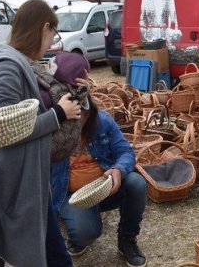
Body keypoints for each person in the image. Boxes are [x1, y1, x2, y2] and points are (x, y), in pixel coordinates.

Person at [0, 0, 82, 267]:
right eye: (53, 34)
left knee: (47, 251)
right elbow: (5, 129)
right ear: (45, 27)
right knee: (24, 253)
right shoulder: (7, 66)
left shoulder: (19, 62)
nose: (51, 41)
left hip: (27, 176)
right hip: (13, 179)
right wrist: (57, 114)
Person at [51, 94, 147, 267]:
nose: (78, 125)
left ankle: (127, 239)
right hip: (72, 196)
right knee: (85, 233)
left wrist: (118, 169)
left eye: (83, 119)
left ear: (90, 114)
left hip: (106, 188)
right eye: (72, 120)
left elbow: (125, 152)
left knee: (136, 183)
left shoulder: (102, 121)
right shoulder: (52, 132)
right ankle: (79, 236)